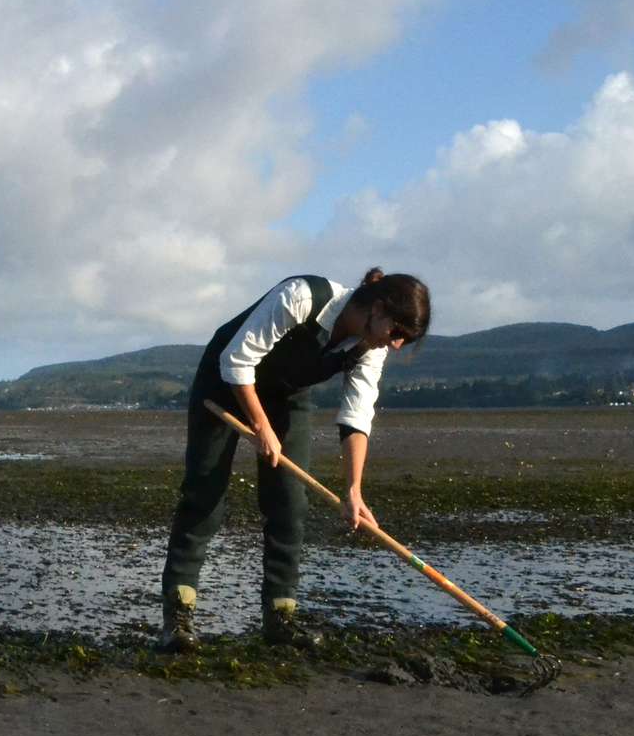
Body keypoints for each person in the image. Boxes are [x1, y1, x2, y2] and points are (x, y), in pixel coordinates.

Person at [157, 268, 430, 651]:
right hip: (223, 382)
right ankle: (178, 617)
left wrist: (354, 489)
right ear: (380, 308)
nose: (397, 344)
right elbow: (237, 360)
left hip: (286, 395)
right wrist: (260, 426)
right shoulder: (302, 297)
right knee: (205, 494)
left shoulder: (371, 347)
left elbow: (356, 414)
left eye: (406, 339)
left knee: (289, 502)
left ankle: (280, 618)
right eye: (398, 332)